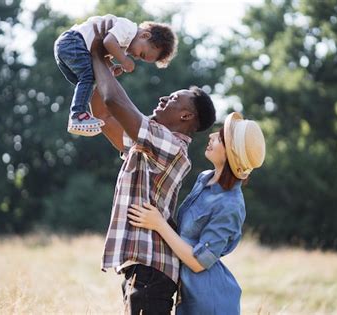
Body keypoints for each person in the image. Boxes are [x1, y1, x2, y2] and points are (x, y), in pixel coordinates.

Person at [88, 20, 216, 315]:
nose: (162, 99)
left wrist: (98, 56)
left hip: (152, 269)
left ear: (185, 116)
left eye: (172, 99)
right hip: (141, 268)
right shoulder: (149, 142)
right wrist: (108, 66)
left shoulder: (171, 146)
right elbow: (102, 114)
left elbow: (113, 100)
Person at [127, 112, 266, 314]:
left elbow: (199, 262)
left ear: (231, 154)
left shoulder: (231, 205)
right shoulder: (204, 179)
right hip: (186, 294)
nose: (211, 137)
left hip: (208, 302)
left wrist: (159, 224)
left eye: (220, 138)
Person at [54, 14, 177, 137]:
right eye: (142, 54)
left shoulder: (124, 43)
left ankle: (78, 114)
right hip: (74, 41)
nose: (136, 57)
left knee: (89, 84)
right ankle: (78, 115)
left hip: (69, 47)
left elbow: (102, 53)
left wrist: (111, 66)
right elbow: (108, 41)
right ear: (145, 35)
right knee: (88, 78)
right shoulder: (127, 28)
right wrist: (124, 61)